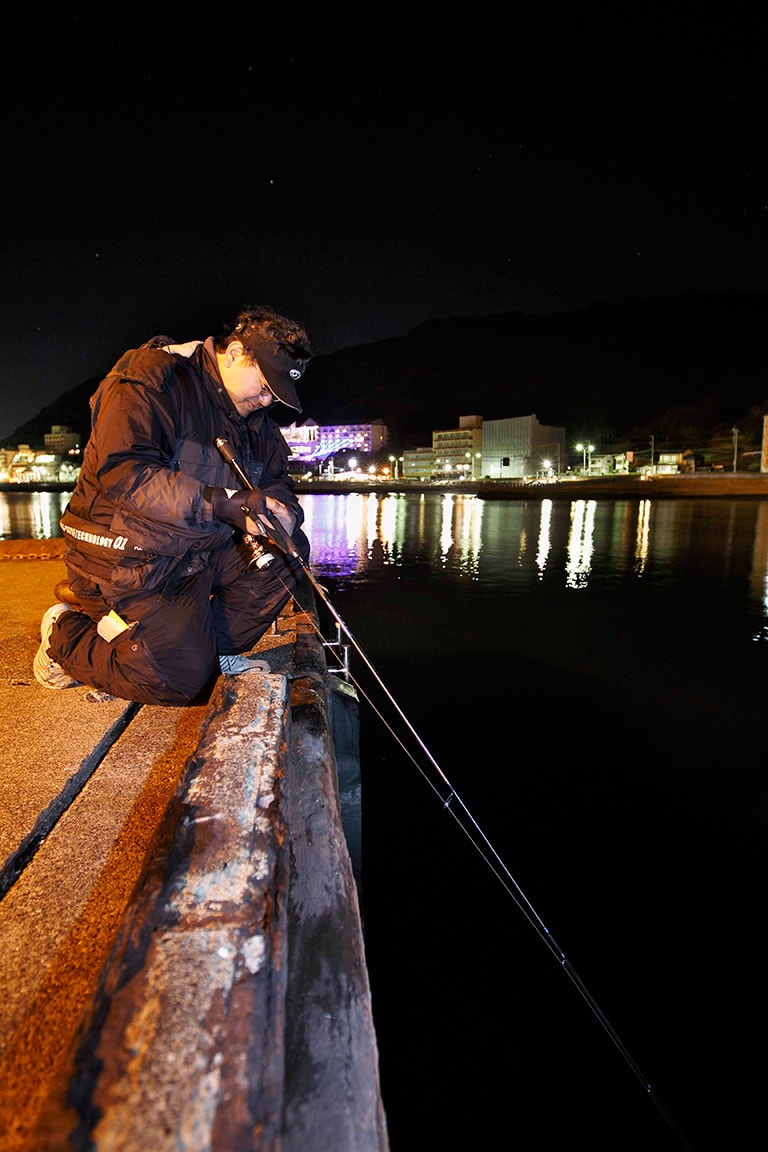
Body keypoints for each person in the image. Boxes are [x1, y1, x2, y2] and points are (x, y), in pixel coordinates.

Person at [33, 304, 314, 705]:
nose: (268, 400)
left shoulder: (255, 422)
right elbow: (123, 473)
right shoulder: (150, 378)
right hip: (124, 558)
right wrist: (224, 503)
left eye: (277, 393)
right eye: (265, 385)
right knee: (185, 683)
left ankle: (209, 654)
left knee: (288, 552)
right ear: (235, 353)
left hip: (193, 552)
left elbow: (277, 482)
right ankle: (63, 634)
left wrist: (283, 511)